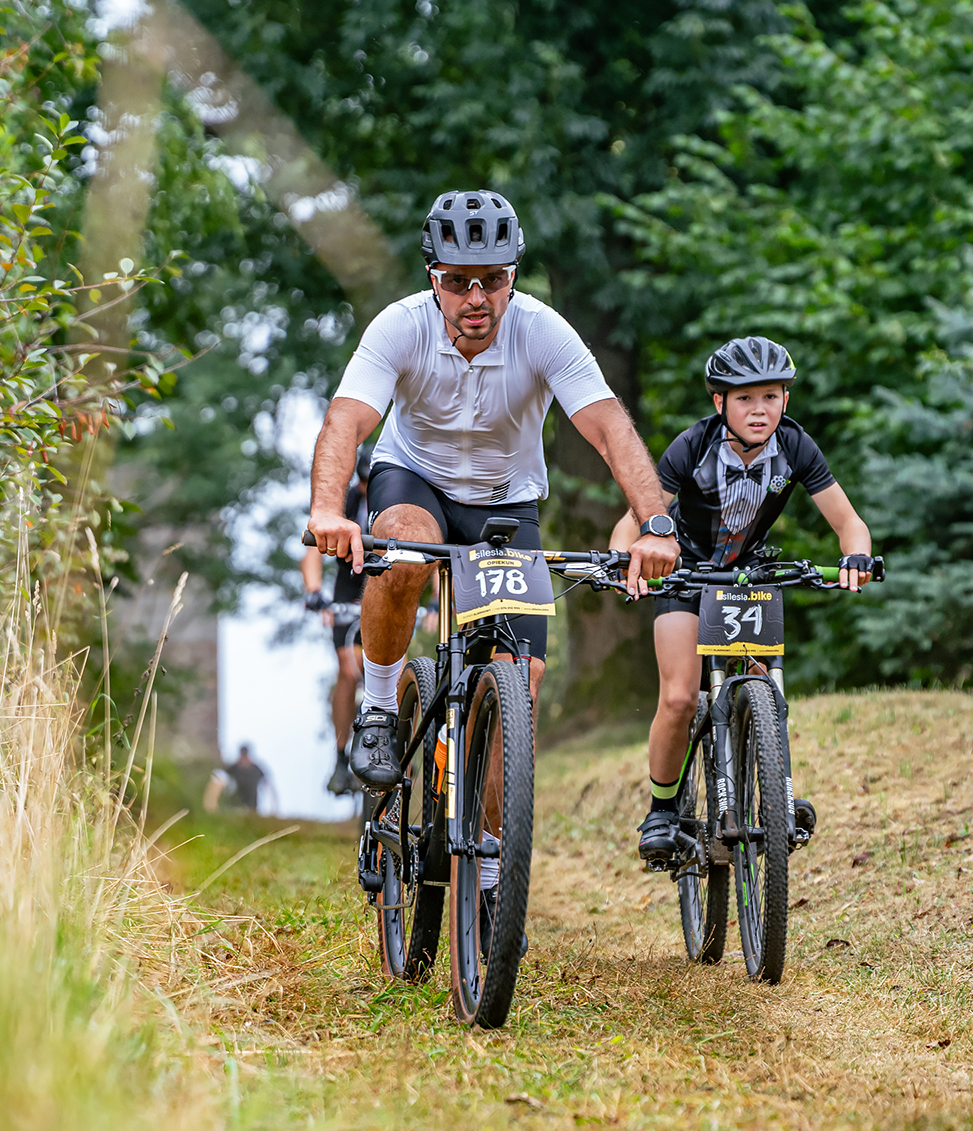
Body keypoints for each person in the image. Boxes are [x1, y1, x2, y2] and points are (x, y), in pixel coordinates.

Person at [305, 187, 681, 810]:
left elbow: (610, 428)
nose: (476, 297)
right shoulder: (400, 326)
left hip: (505, 503)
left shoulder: (542, 330)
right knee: (404, 553)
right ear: (434, 278)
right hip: (415, 480)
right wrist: (327, 509)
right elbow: (346, 420)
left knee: (522, 681)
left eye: (493, 279)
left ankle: (488, 852)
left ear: (513, 276)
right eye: (458, 281)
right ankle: (379, 707)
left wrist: (656, 524)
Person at [608, 336, 874, 862]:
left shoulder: (795, 446)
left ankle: (775, 792)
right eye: (745, 398)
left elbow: (849, 523)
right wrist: (621, 560)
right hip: (684, 574)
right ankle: (662, 809)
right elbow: (635, 519)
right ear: (719, 402)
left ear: (785, 400)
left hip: (748, 576)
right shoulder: (692, 445)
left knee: (765, 686)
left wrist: (857, 557)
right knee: (679, 698)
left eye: (771, 397)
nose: (759, 410)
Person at [301, 446, 373, 794]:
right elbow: (312, 552)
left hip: (386, 586)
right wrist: (314, 591)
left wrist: (435, 602)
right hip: (347, 589)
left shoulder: (399, 499)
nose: (365, 488)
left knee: (397, 667)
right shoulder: (346, 501)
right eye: (362, 481)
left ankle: (399, 741)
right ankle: (341, 756)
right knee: (348, 670)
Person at [223, 744, 270, 815]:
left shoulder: (256, 769)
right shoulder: (233, 768)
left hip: (252, 805)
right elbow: (222, 777)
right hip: (236, 804)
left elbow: (266, 783)